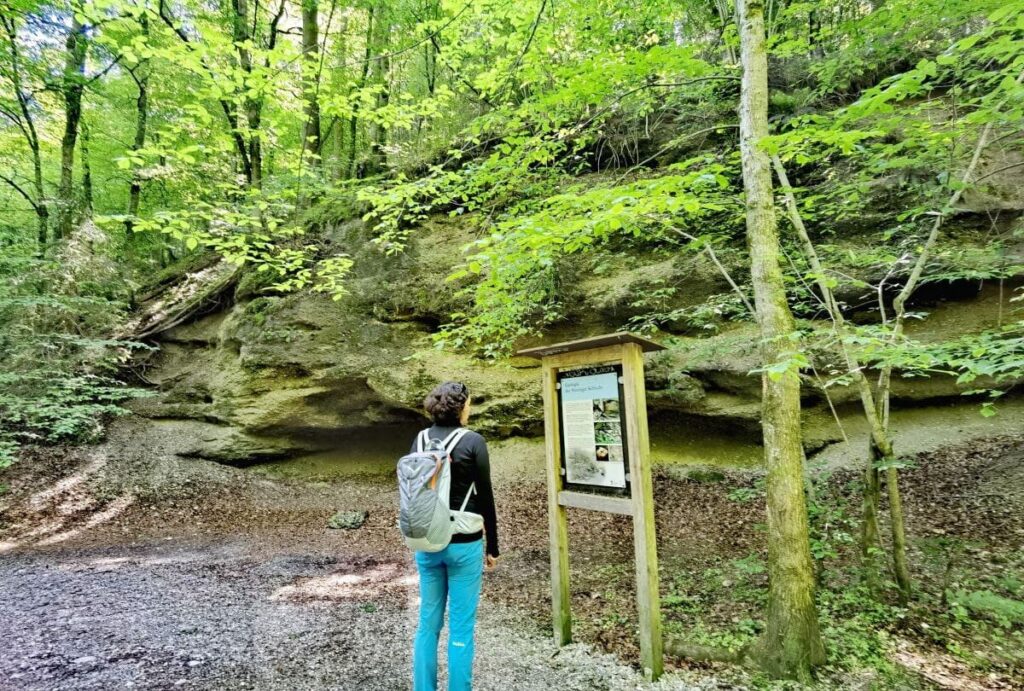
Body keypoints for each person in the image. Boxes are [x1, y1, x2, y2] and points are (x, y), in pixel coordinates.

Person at [411, 381, 500, 691]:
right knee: (461, 629)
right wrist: (494, 546)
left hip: (426, 541)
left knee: (427, 625)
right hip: (464, 544)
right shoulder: (473, 441)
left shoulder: (420, 440)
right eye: (469, 403)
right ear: (461, 407)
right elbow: (486, 497)